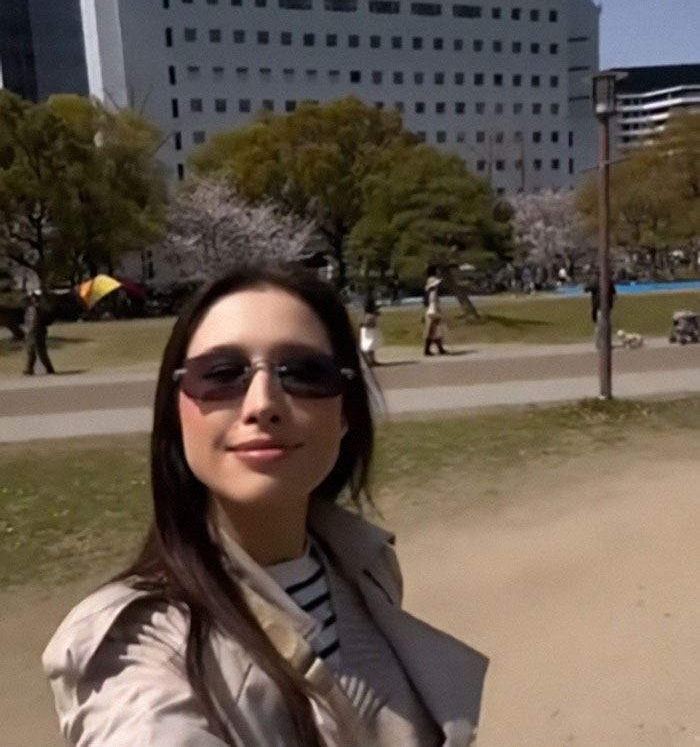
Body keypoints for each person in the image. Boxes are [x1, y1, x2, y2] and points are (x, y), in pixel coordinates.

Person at [43, 264, 487, 747]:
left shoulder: (367, 566)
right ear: (176, 416)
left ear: (346, 414)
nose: (263, 403)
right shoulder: (138, 647)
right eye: (221, 374)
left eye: (303, 373)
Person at [23, 289, 55, 375]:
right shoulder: (31, 308)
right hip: (32, 331)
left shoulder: (40, 307)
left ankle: (49, 368)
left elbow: (37, 320)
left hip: (39, 331)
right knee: (31, 350)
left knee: (41, 350)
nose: (32, 299)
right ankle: (29, 368)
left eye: (34, 297)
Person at [424, 266, 448, 356]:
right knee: (433, 328)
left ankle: (439, 348)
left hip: (433, 307)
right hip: (433, 308)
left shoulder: (431, 286)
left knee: (436, 328)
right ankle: (428, 349)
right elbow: (434, 286)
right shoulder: (432, 282)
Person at [359, 288, 382, 367]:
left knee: (370, 345)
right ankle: (369, 361)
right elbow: (370, 310)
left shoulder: (366, 301)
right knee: (369, 345)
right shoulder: (369, 301)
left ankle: (371, 360)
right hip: (369, 327)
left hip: (368, 326)